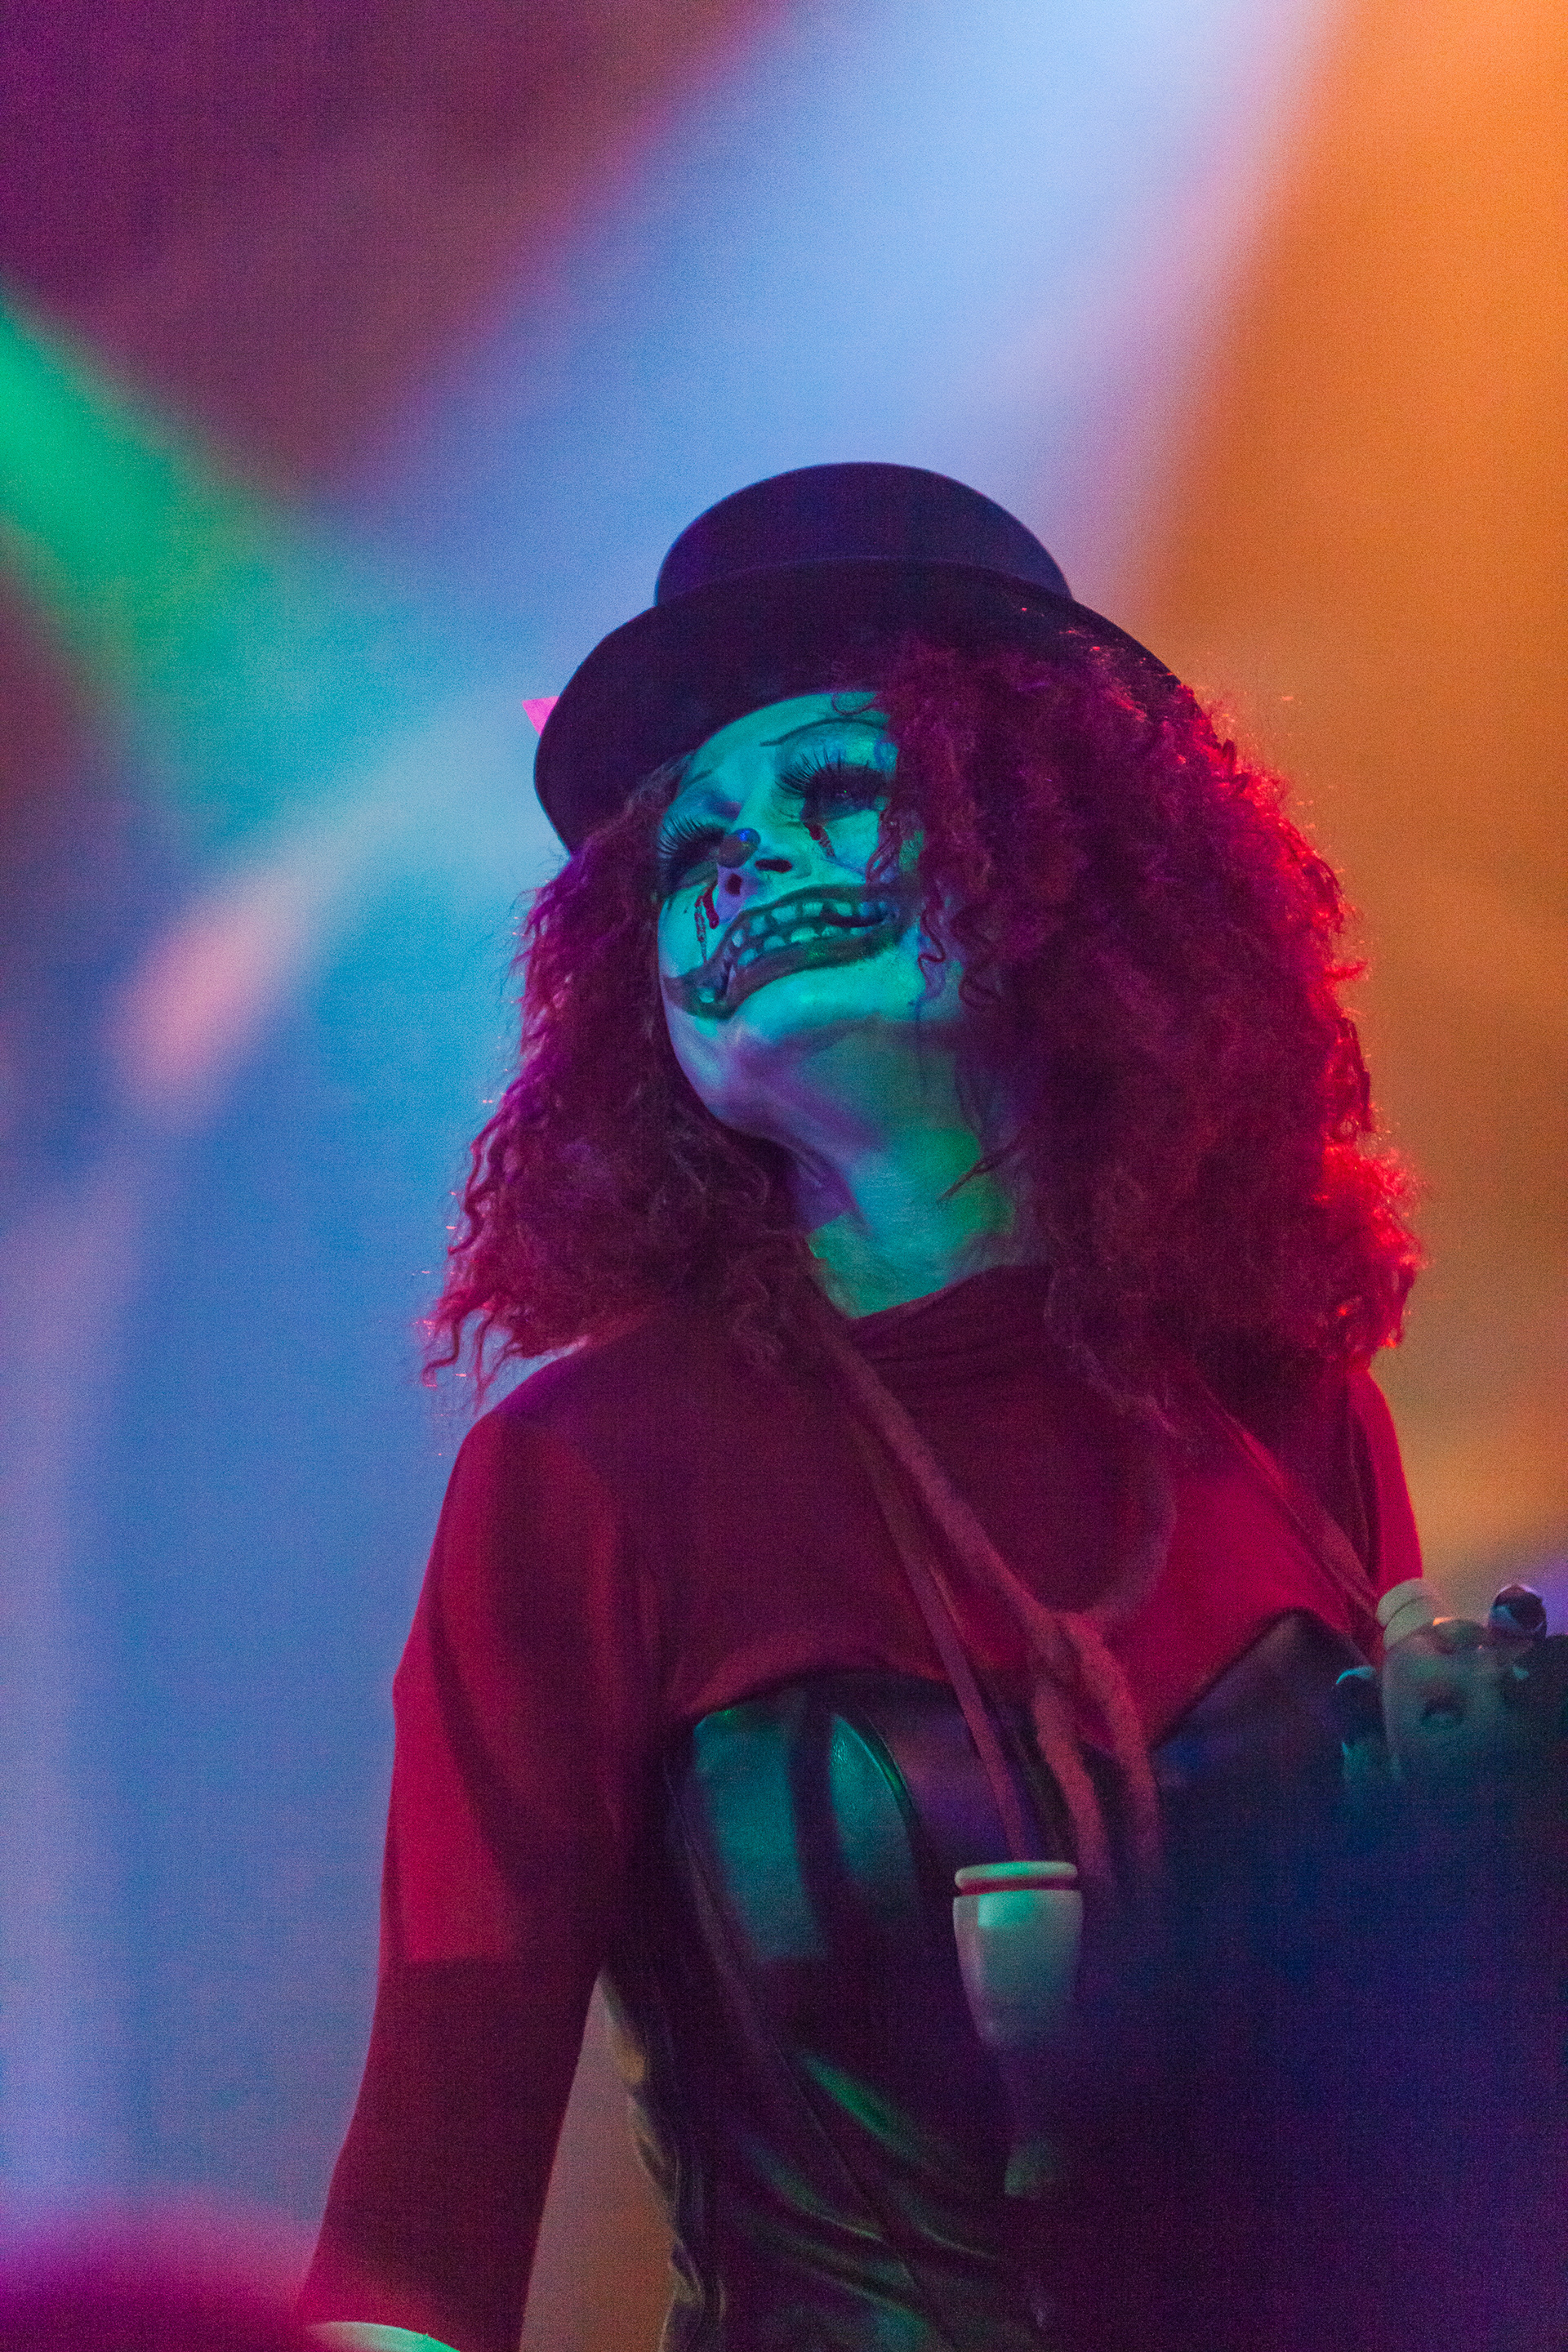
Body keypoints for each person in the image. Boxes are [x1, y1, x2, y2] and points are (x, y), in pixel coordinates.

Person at [299, 466, 1550, 2352]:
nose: (752, 867)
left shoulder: (1293, 1404)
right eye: (694, 855)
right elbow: (427, 2207)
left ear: (1062, 855)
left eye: (838, 789)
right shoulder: (584, 1477)